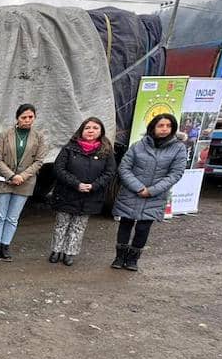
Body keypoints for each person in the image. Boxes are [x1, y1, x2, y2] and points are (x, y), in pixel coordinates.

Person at [111, 113, 187, 271]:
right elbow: (124, 168)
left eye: (168, 126)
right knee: (125, 224)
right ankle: (119, 257)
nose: (164, 129)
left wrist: (151, 191)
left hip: (155, 196)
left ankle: (133, 260)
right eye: (161, 125)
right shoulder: (138, 145)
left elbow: (175, 174)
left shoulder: (178, 149)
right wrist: (138, 187)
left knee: (143, 228)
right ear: (153, 127)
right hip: (131, 192)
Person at [48, 117, 117, 266]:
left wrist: (94, 186)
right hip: (67, 192)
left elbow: (109, 172)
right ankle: (56, 250)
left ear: (101, 131)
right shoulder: (70, 147)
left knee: (78, 226)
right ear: (81, 130)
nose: (91, 131)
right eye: (87, 128)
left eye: (95, 128)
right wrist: (76, 183)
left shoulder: (106, 151)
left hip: (90, 195)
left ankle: (69, 253)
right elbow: (59, 168)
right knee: (61, 224)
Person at [0, 104, 48, 261]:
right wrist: (11, 175)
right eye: (24, 117)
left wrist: (22, 176)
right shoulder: (4, 134)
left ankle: (5, 245)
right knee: (0, 215)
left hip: (25, 182)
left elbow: (39, 161)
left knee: (13, 217)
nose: (27, 120)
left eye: (30, 117)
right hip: (4, 180)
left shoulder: (39, 137)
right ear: (17, 118)